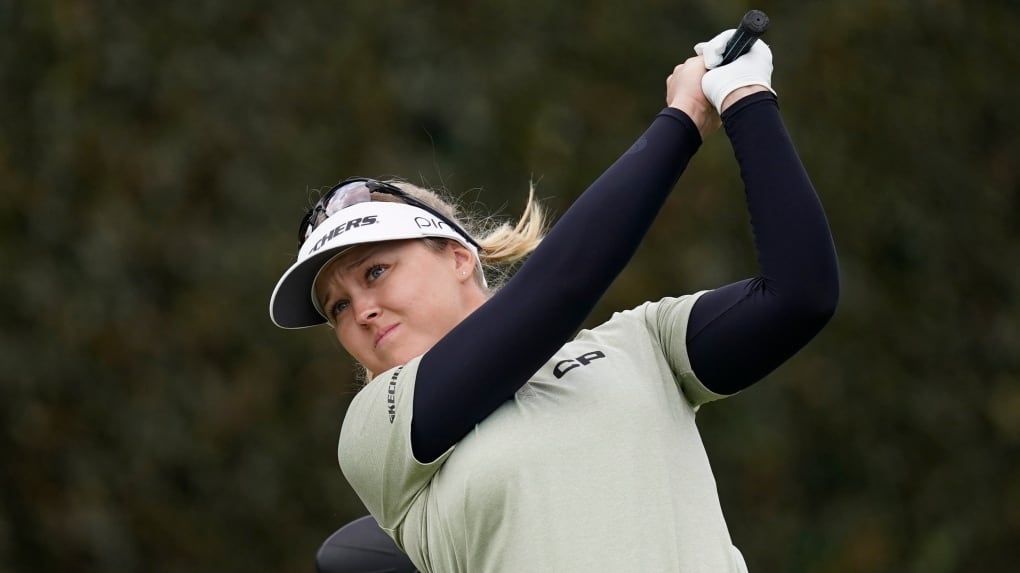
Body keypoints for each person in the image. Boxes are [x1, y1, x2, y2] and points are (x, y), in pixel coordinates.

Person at [270, 28, 839, 573]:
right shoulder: (375, 434)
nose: (360, 310)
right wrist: (683, 119)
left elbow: (799, 296)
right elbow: (557, 290)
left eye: (375, 272)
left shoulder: (642, 343)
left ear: (459, 257)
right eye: (337, 307)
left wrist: (745, 98)